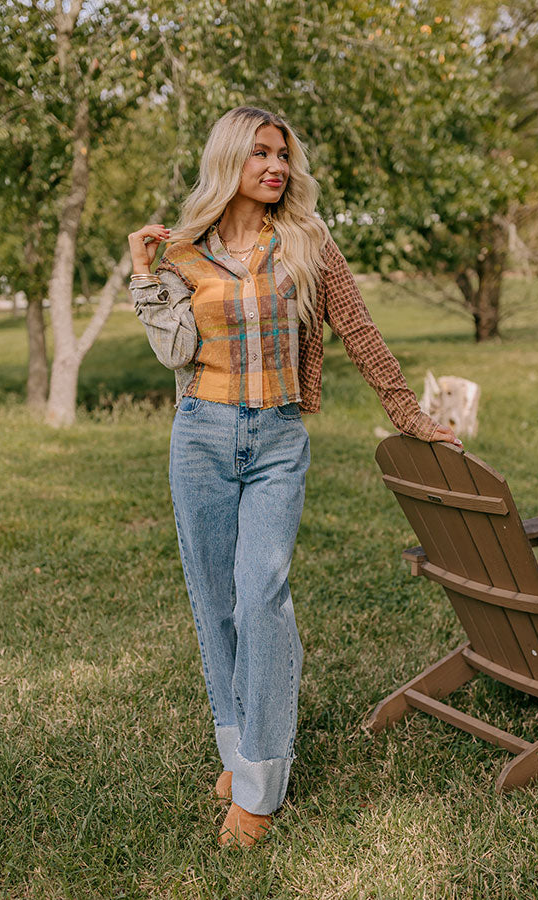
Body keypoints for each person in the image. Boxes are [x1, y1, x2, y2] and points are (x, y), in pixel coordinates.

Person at [127, 105, 460, 849]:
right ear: (228, 162)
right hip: (201, 438)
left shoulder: (307, 242)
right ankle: (238, 747)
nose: (275, 166)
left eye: (282, 154)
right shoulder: (185, 252)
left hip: (277, 437)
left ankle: (262, 783)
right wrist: (145, 275)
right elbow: (173, 348)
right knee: (214, 600)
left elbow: (361, 330)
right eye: (259, 154)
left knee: (263, 595)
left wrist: (409, 414)